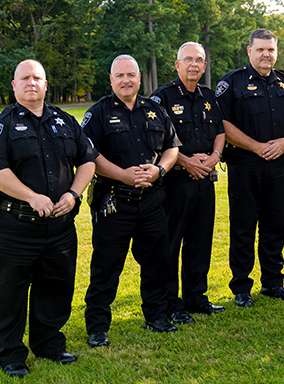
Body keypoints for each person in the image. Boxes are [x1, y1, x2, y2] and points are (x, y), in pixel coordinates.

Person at [0, 60, 97, 378]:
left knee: (55, 288)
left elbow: (88, 160)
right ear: (14, 86)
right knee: (8, 294)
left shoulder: (65, 121)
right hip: (11, 229)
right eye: (25, 78)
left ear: (46, 84)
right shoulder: (0, 125)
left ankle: (49, 344)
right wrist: (30, 196)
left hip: (59, 227)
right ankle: (10, 354)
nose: (32, 82)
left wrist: (72, 194)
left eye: (38, 78)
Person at [82, 54, 180, 349]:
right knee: (106, 267)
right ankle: (98, 327)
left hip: (152, 201)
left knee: (157, 262)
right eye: (119, 75)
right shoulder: (97, 113)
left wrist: (159, 170)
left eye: (131, 75)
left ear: (140, 78)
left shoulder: (154, 109)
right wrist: (123, 176)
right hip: (114, 203)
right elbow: (90, 157)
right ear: (111, 80)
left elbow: (172, 148)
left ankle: (156, 315)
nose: (126, 80)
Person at [215, 29, 284, 308]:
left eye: (271, 50)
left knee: (274, 225)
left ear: (276, 52)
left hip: (277, 166)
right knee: (243, 227)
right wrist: (255, 146)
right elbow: (222, 124)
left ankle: (273, 282)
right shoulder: (232, 83)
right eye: (261, 50)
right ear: (249, 50)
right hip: (245, 166)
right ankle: (241, 287)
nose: (266, 55)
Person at [150, 42, 225, 320]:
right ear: (177, 64)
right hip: (176, 183)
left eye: (199, 60)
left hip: (205, 179)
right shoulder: (163, 97)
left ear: (204, 66)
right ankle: (171, 303)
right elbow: (156, 139)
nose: (194, 65)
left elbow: (219, 129)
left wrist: (215, 156)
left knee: (200, 241)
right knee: (171, 243)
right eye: (188, 59)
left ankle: (196, 297)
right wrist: (186, 161)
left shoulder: (208, 95)